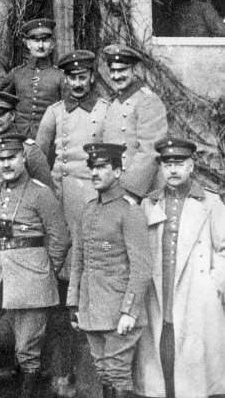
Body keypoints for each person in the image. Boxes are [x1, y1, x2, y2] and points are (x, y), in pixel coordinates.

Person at [0, 134, 70, 398]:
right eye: (1, 158)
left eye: (12, 158)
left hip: (32, 278)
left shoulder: (41, 194)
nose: (6, 163)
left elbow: (60, 238)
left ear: (23, 159)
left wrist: (42, 271)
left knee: (26, 352)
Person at [35, 49, 109, 390]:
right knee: (60, 290)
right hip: (61, 205)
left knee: (91, 287)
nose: (77, 83)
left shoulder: (106, 111)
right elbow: (37, 159)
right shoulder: (54, 113)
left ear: (91, 77)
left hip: (93, 203)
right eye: (71, 77)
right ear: (64, 79)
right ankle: (59, 374)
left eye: (83, 77)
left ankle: (94, 375)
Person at [134, 137, 225, 398]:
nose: (172, 170)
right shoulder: (149, 203)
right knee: (161, 351)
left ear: (191, 166)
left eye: (179, 163)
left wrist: (214, 283)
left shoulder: (209, 203)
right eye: (167, 164)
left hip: (196, 292)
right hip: (159, 287)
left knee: (193, 361)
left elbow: (223, 248)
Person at [67, 143, 152, 398]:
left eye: (102, 167)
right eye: (92, 167)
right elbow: (79, 261)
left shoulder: (129, 212)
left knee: (117, 373)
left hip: (118, 313)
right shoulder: (89, 210)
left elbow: (142, 268)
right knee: (103, 372)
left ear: (117, 171)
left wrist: (129, 311)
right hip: (92, 310)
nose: (95, 172)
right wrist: (75, 304)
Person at [0, 90, 53, 285]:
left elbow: (45, 189)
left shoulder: (29, 150)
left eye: (1, 114)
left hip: (15, 216)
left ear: (12, 115)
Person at [102, 44, 168, 199]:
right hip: (115, 187)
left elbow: (150, 150)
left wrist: (129, 191)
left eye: (122, 70)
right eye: (113, 71)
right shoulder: (115, 102)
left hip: (139, 191)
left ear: (135, 70)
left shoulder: (148, 101)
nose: (116, 76)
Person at [0, 18, 64, 138]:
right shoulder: (17, 74)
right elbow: (2, 105)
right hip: (19, 137)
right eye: (35, 40)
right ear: (27, 43)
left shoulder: (60, 76)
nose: (40, 46)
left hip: (49, 139)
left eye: (45, 40)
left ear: (52, 44)